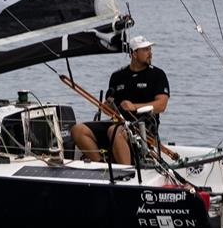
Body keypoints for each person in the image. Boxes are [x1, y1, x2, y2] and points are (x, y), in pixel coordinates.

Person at [70, 35, 169, 164]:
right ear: (134, 54)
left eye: (150, 49)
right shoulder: (117, 76)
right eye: (145, 50)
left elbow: (161, 105)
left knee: (114, 130)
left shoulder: (157, 75)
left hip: (143, 126)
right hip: (118, 122)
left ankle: (125, 171)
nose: (150, 53)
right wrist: (107, 106)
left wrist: (134, 107)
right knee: (78, 130)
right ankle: (101, 164)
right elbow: (107, 109)